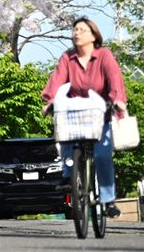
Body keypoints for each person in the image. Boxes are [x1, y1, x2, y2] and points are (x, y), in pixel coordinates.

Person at [42, 17, 127, 218]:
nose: (76, 33)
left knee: (102, 156)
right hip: (75, 113)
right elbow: (57, 80)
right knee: (64, 137)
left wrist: (117, 100)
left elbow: (115, 79)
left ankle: (108, 200)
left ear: (93, 36)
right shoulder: (67, 57)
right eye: (75, 30)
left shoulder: (104, 56)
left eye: (81, 30)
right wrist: (49, 100)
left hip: (99, 114)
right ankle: (68, 175)